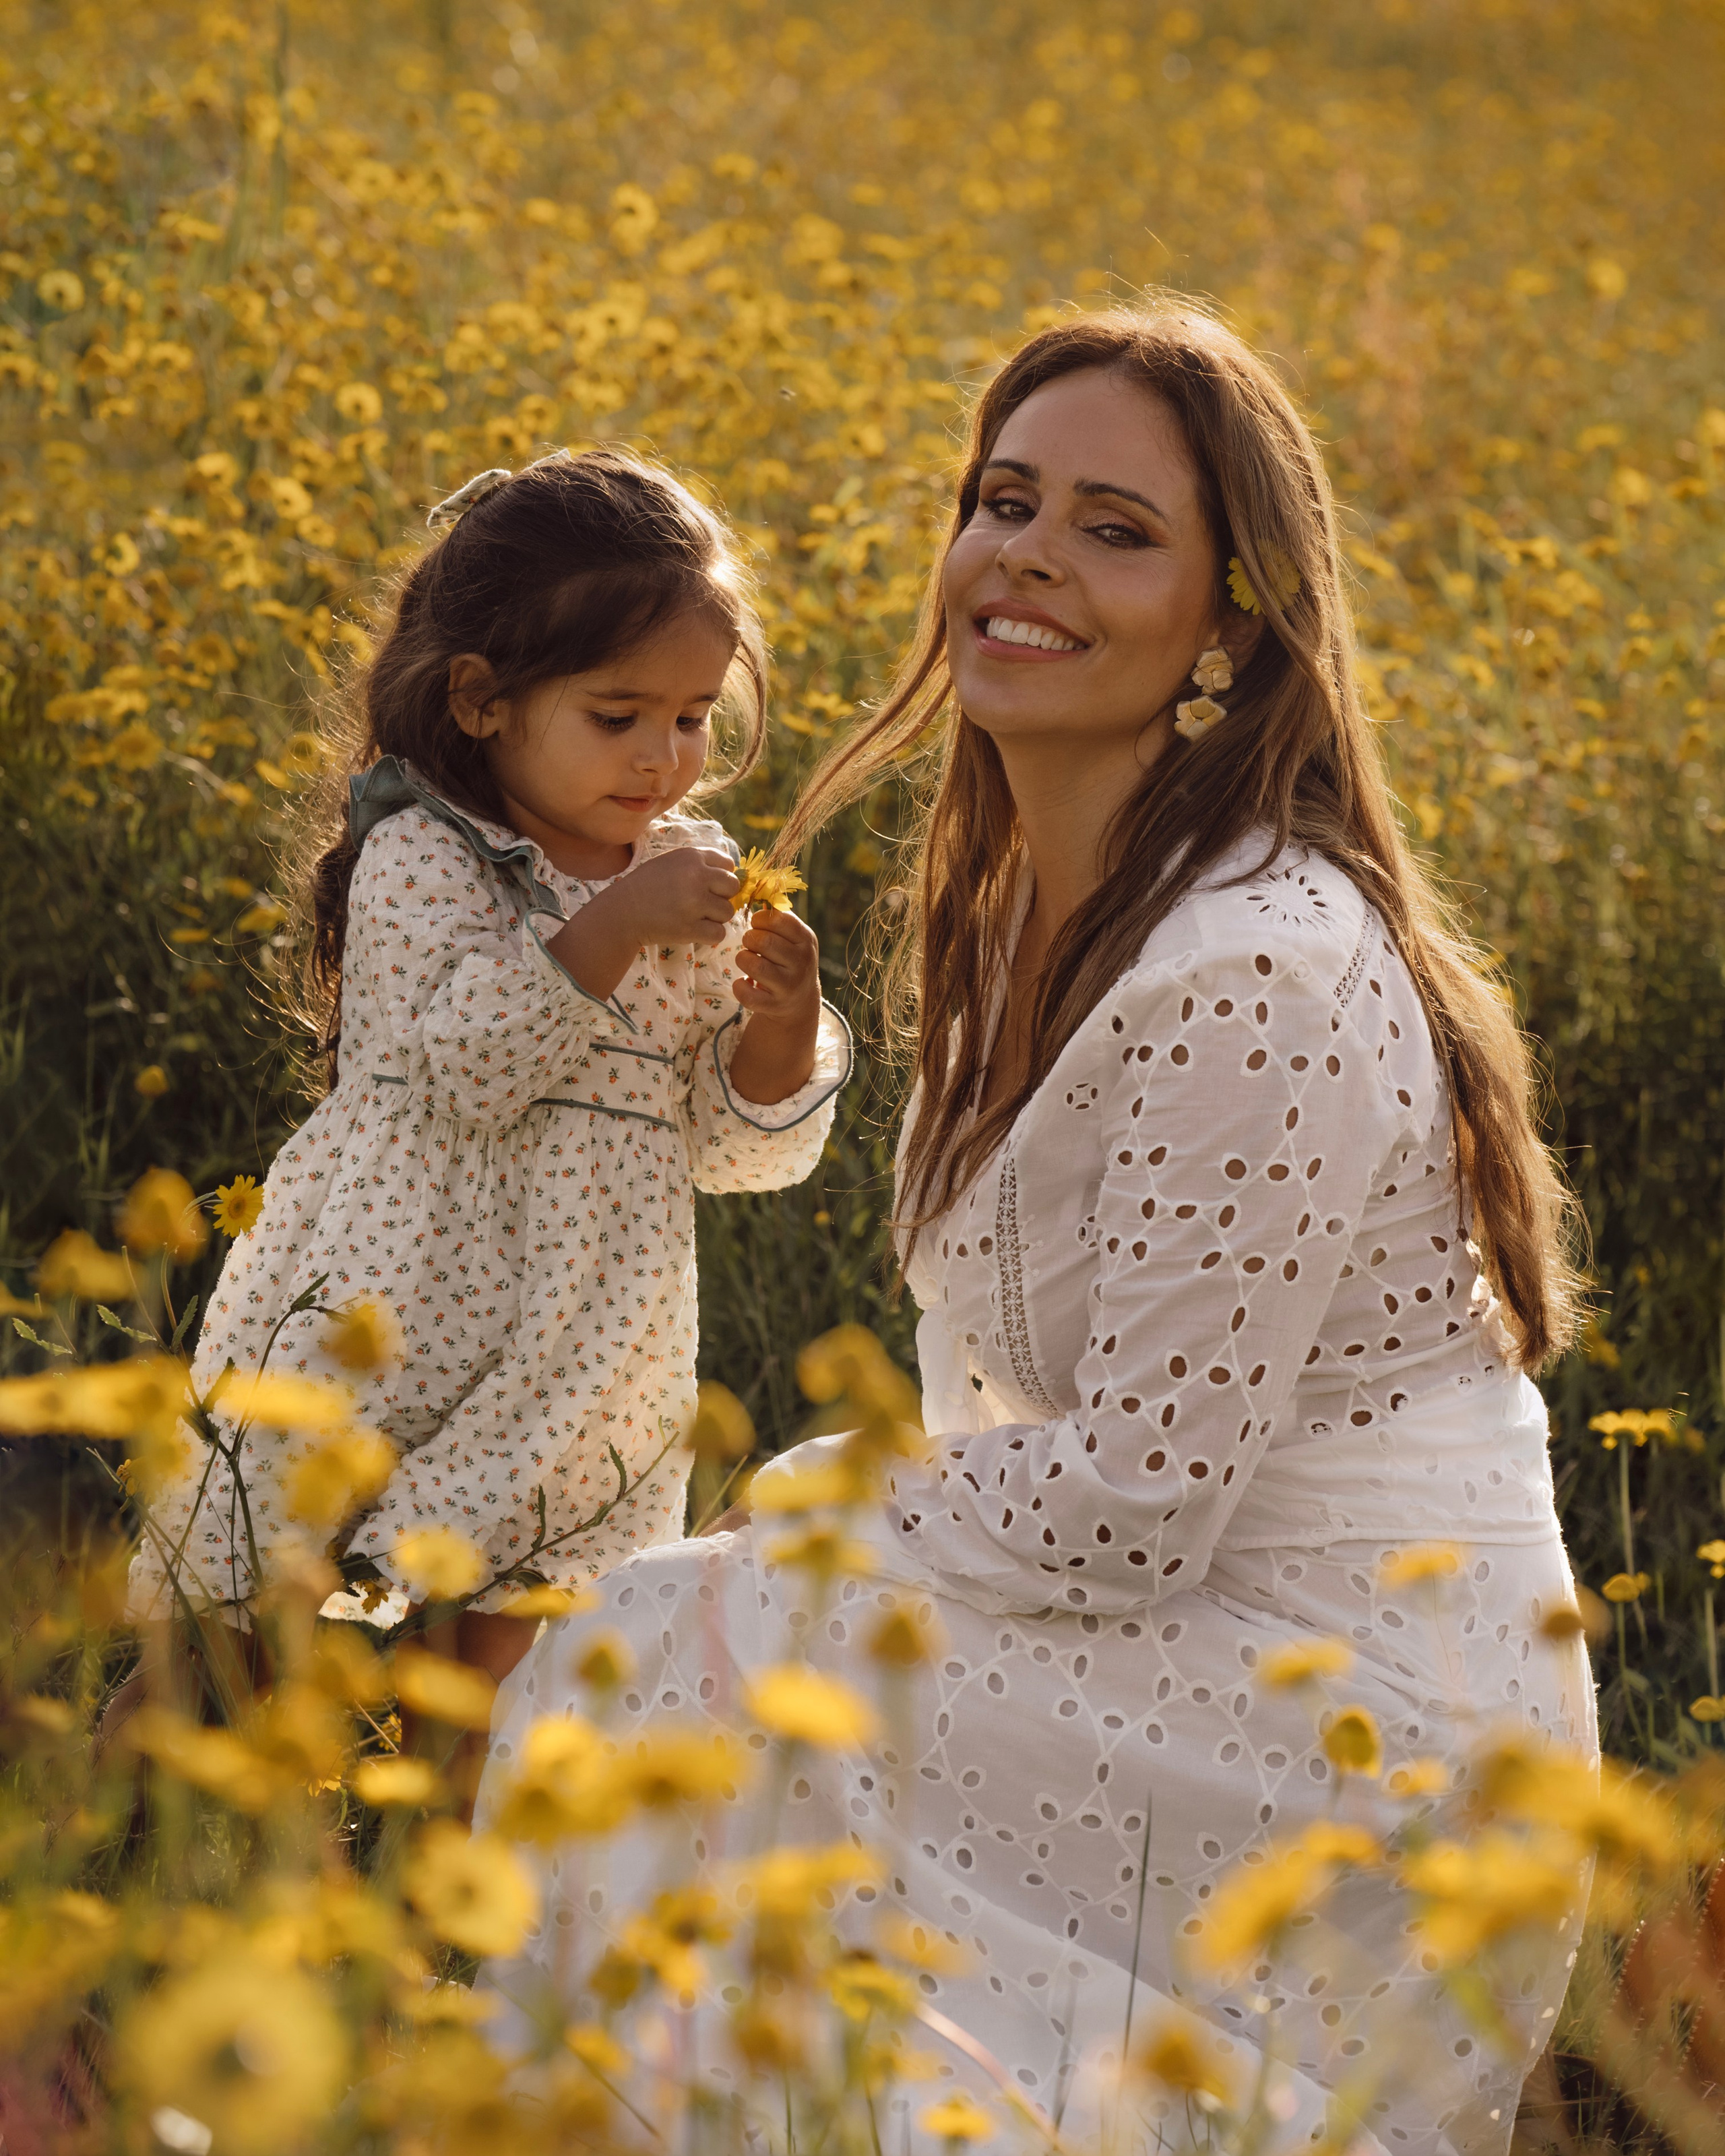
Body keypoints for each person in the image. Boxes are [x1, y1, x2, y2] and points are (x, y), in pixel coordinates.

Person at [477, 306, 1597, 2150]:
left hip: (1371, 1725)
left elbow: (1143, 1499)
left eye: (1116, 527)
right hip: (1193, 1637)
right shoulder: (1025, 907)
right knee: (669, 1671)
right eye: (1007, 501)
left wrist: (834, 1501)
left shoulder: (1263, 969)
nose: (1031, 558)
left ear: (1230, 620)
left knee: (655, 1667)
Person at [127, 448, 851, 1698]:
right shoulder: (425, 858)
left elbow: (734, 1150)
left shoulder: (686, 872)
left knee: (529, 1662)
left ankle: (454, 1871)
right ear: (481, 701)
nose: (661, 761)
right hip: (405, 1309)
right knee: (258, 1627)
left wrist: (779, 1028)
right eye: (616, 718)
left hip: (594, 1344)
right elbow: (463, 1072)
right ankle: (121, 1831)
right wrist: (615, 924)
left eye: (691, 719)